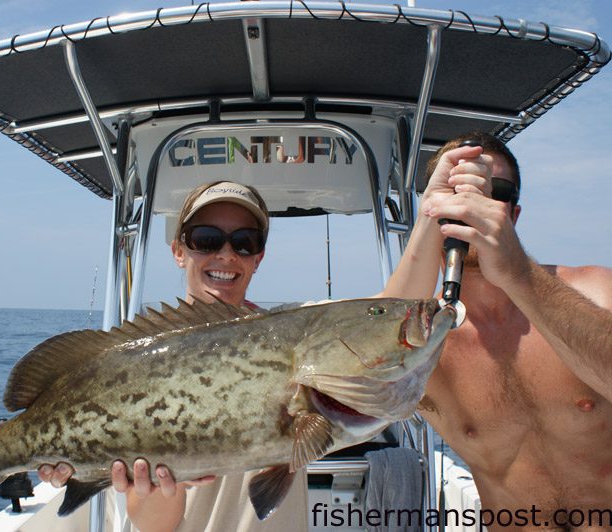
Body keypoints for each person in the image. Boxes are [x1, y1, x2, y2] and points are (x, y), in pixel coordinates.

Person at [38, 145, 493, 531]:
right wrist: (148, 482)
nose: (225, 254)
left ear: (258, 257)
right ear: (179, 250)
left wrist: (432, 209)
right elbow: (156, 525)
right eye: (206, 238)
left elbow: (395, 303)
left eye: (244, 241)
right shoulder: (137, 361)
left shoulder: (299, 328)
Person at [415, 132, 612, 529]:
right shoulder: (422, 343)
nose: (471, 205)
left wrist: (519, 274)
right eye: (455, 191)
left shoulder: (597, 291)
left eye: (494, 191)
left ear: (513, 214)